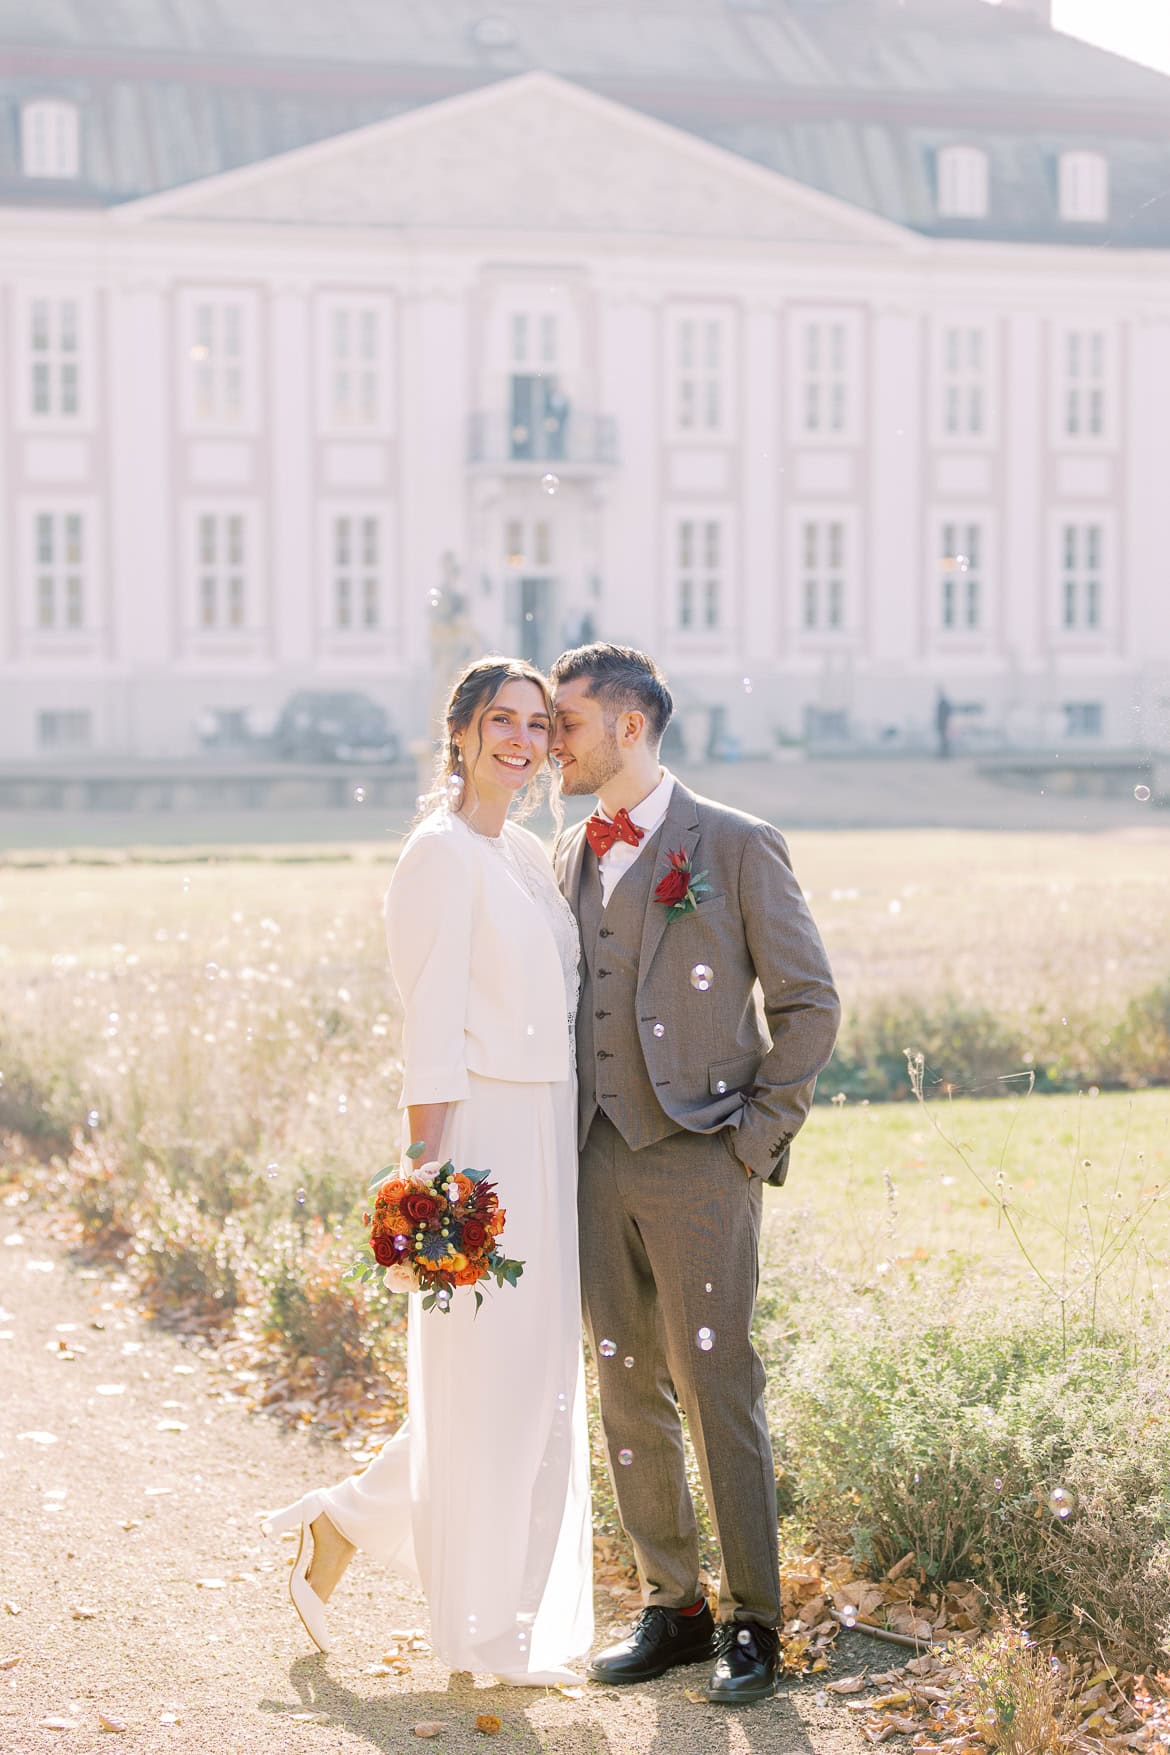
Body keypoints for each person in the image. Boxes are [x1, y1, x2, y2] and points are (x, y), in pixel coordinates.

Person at [263, 656, 593, 1687]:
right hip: (482, 1136)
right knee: (486, 1378)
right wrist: (424, 1185)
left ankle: (345, 1520)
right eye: (503, 719)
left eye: (538, 725)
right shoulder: (438, 855)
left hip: (547, 1129)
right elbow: (431, 1029)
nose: (523, 740)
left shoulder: (530, 857)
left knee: (529, 1384)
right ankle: (481, 1632)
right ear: (459, 732)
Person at [549, 643, 840, 1705]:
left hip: (703, 1161)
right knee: (624, 1384)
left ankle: (755, 1622)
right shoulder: (567, 853)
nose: (551, 744)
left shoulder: (736, 842)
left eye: (567, 723)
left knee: (718, 1386)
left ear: (629, 725)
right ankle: (671, 1606)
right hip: (591, 1160)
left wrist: (752, 1143)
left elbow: (809, 1003)